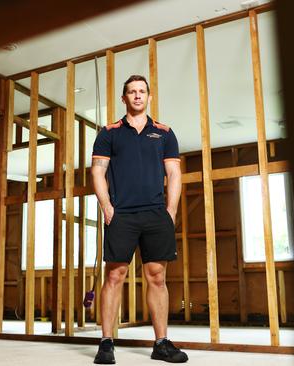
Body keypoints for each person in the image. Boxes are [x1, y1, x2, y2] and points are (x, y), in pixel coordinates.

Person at [91, 75, 188, 364]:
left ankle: (161, 343)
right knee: (114, 275)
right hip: (122, 214)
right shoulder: (109, 132)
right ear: (124, 98)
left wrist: (170, 211)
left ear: (148, 96)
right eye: (131, 92)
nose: (137, 96)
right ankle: (106, 343)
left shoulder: (164, 132)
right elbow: (97, 171)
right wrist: (106, 205)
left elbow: (173, 174)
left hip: (156, 214)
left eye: (142, 91)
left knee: (157, 276)